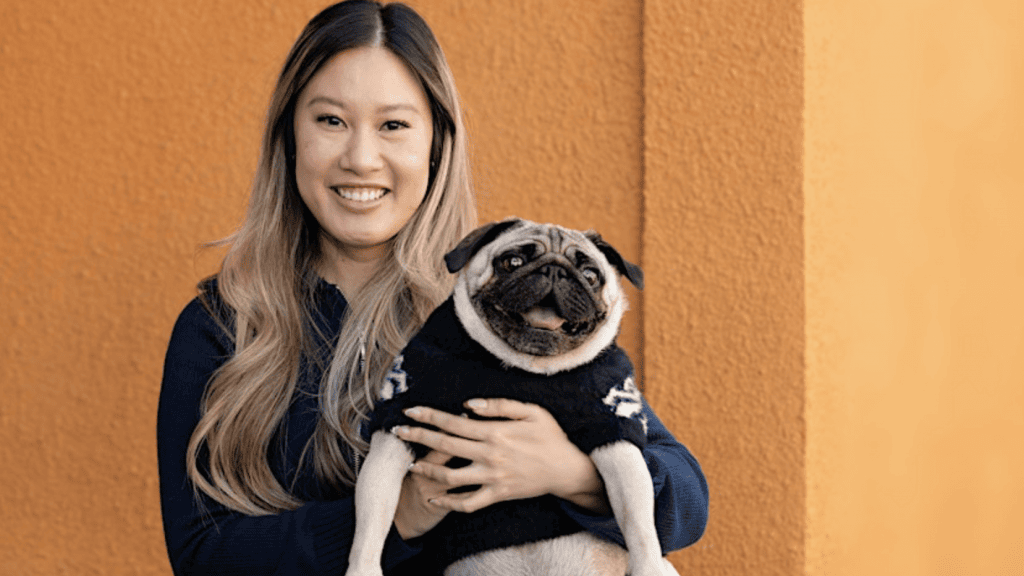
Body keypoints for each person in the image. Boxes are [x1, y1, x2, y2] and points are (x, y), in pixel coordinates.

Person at [156, 1, 709, 574]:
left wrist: (573, 474)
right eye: (330, 121)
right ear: (289, 137)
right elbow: (201, 556)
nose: (361, 158)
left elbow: (687, 501)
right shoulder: (220, 327)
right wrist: (397, 514)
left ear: (436, 144)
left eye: (393, 125)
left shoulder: (494, 310)